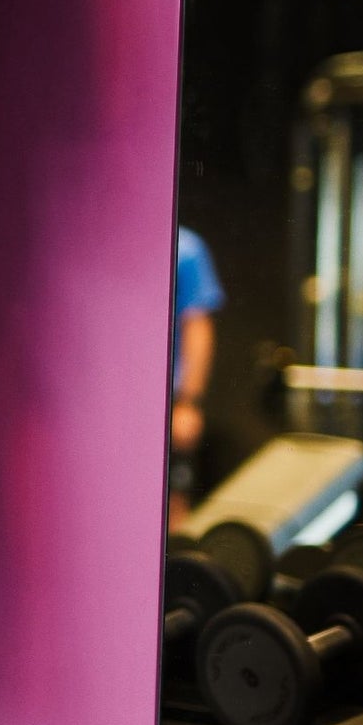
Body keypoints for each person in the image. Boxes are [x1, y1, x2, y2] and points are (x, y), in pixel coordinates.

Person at [169, 224, 225, 532]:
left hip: (169, 401)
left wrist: (188, 402)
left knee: (174, 499)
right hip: (115, 401)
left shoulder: (186, 248)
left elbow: (197, 326)